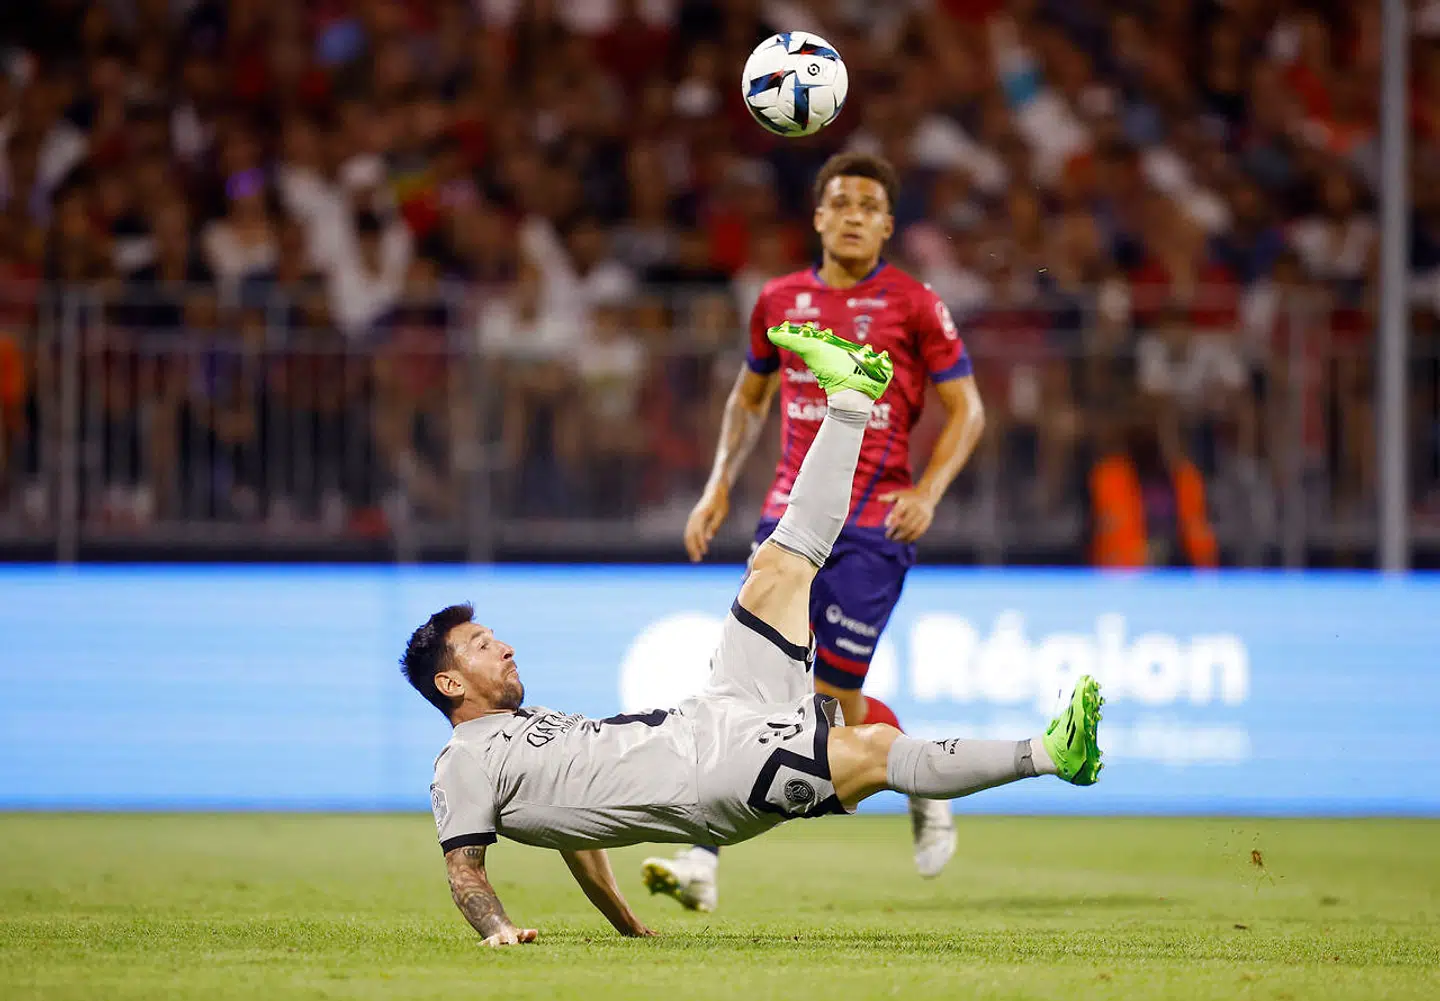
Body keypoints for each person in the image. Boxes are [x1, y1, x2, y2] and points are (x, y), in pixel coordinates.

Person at [403, 323, 1102, 946]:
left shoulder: (528, 729)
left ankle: (851, 399)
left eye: (495, 635)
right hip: (715, 778)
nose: (505, 646)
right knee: (875, 750)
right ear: (449, 681)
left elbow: (572, 837)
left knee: (777, 567)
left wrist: (626, 925)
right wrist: (497, 929)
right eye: (482, 644)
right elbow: (464, 868)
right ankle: (1050, 753)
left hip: (713, 711)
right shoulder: (462, 761)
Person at [655, 152, 987, 908]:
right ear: (817, 216)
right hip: (789, 519)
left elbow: (968, 409)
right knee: (745, 684)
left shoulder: (914, 303)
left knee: (834, 702)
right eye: (840, 203)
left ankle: (920, 778)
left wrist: (928, 492)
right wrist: (717, 486)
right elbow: (749, 398)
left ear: (889, 225)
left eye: (869, 206)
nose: (853, 216)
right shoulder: (779, 299)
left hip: (873, 524)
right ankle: (700, 859)